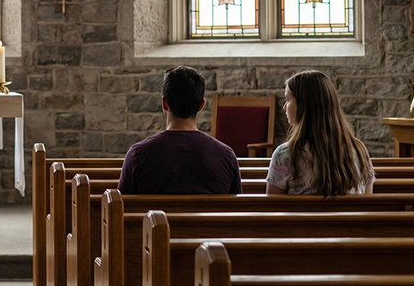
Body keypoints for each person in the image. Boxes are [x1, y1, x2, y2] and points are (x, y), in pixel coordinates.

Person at [118, 66, 242, 194]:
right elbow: (238, 204)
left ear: (164, 103)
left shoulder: (138, 155)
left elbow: (122, 203)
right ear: (201, 105)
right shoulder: (226, 156)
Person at [266, 70, 374, 196]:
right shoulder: (358, 150)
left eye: (288, 100)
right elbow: (367, 200)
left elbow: (273, 204)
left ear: (303, 106)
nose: (284, 107)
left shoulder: (285, 155)